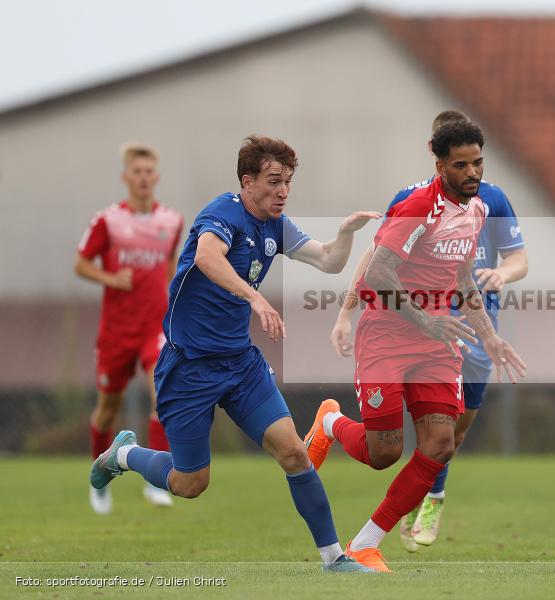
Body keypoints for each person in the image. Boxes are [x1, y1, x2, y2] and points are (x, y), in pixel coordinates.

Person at [90, 135, 379, 573]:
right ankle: (122, 456)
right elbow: (208, 257)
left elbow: (328, 262)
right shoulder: (224, 212)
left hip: (240, 364)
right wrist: (256, 299)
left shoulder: (276, 225)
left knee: (294, 453)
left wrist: (343, 235)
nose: (283, 191)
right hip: (188, 367)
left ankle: (334, 558)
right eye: (273, 181)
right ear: (247, 182)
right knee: (190, 484)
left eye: (288, 182)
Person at [305, 120, 527, 572]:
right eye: (461, 164)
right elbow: (378, 274)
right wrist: (423, 319)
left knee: (440, 443)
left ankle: (366, 544)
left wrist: (489, 335)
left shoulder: (478, 211)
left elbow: (463, 279)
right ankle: (330, 421)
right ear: (440, 164)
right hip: (387, 334)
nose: (472, 172)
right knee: (383, 453)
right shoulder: (416, 208)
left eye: (478, 162)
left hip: (436, 342)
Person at [76, 143, 183, 514]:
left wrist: (175, 308)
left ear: (156, 176)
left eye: (148, 171)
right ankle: (99, 475)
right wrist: (110, 277)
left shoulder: (171, 221)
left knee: (163, 395)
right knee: (107, 408)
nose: (143, 177)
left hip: (155, 326)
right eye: (136, 171)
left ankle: (156, 482)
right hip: (116, 332)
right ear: (126, 177)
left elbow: (170, 268)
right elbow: (80, 263)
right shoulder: (107, 220)